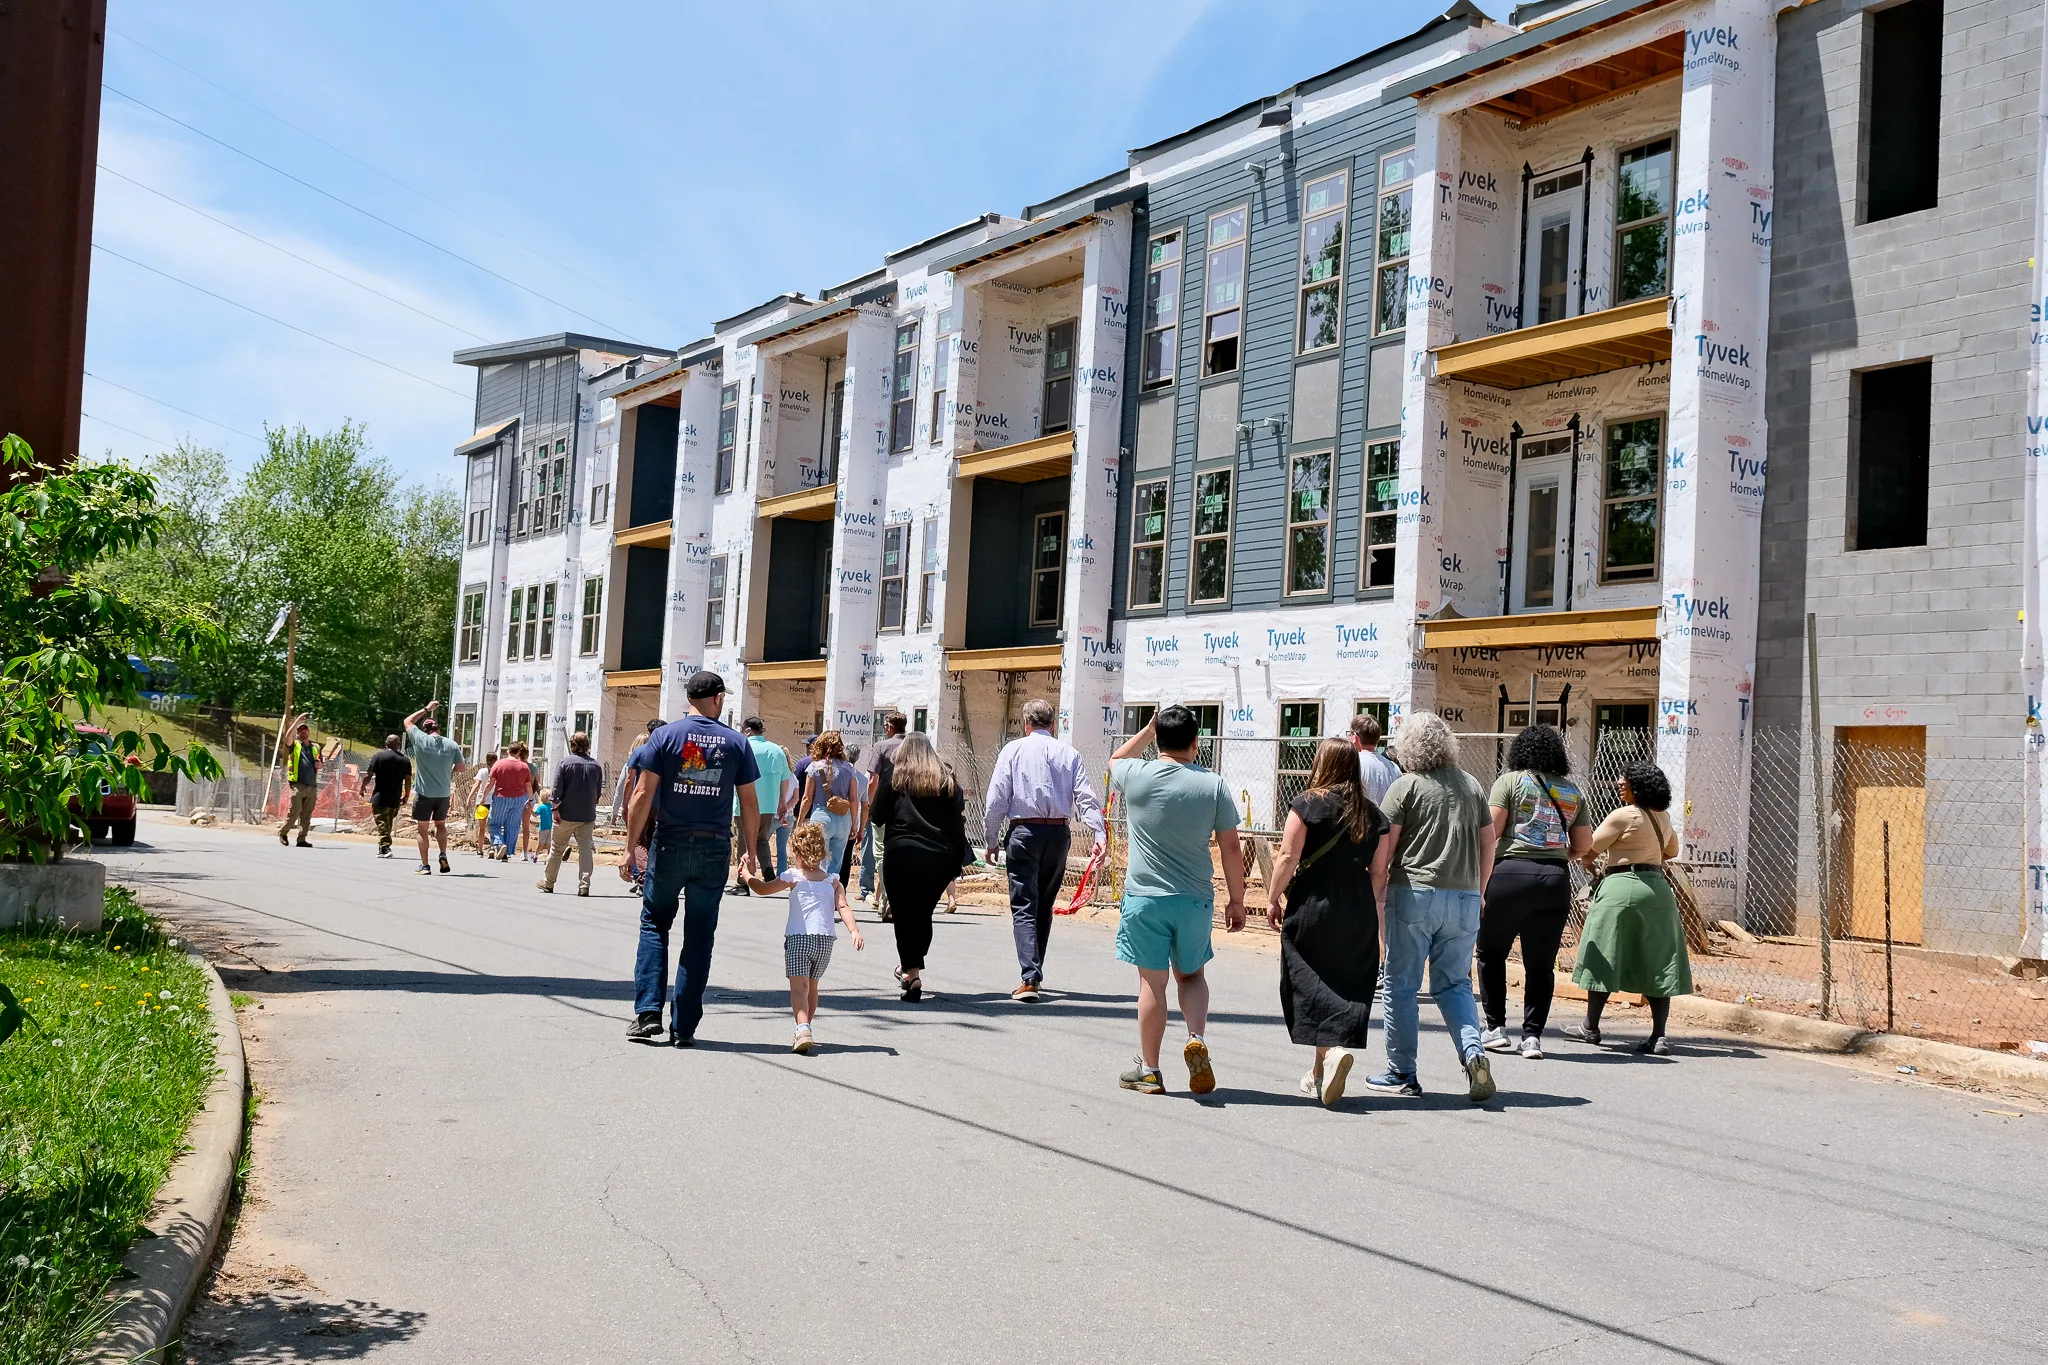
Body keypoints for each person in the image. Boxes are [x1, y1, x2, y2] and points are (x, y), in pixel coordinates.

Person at [1105, 707, 1244, 1094]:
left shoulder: (1136, 775)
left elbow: (1116, 758)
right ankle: (1195, 1036)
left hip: (1145, 897)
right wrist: (1237, 899)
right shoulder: (1212, 784)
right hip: (1194, 899)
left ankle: (1150, 1070)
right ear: (1196, 742)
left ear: (1159, 740)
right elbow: (1231, 846)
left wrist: (1148, 730)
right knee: (1193, 975)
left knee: (1152, 983)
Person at [620, 672, 760, 1047]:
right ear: (715, 699)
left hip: (670, 843)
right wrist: (749, 850)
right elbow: (749, 801)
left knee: (654, 922)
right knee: (699, 935)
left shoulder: (664, 737)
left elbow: (642, 795)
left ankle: (648, 1013)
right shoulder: (736, 742)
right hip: (714, 847)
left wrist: (630, 847)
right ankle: (684, 1027)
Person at [1366, 711, 1498, 1103]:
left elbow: (1384, 852)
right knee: (1455, 983)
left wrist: (1374, 894)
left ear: (1408, 747)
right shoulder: (1472, 785)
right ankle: (1473, 1052)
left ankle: (1402, 1071)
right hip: (1465, 898)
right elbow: (1488, 842)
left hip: (1414, 894)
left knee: (1401, 986)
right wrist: (1480, 889)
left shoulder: (1404, 787)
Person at [1266, 737, 1387, 1107]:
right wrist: (1372, 914)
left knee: (1307, 978)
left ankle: (1330, 1053)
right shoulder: (1373, 813)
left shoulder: (1306, 804)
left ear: (1322, 763)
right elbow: (1379, 872)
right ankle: (1321, 1069)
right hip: (1358, 906)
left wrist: (1272, 897)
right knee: (1346, 981)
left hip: (1313, 903)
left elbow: (1288, 855)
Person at [1478, 725, 1593, 1059]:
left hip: (1510, 875)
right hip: (1555, 880)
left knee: (1491, 952)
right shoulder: (1572, 791)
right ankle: (1532, 1037)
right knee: (1541, 963)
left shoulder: (1510, 782)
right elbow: (1583, 846)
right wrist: (1558, 855)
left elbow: (1492, 830)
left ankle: (1497, 1028)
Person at [1565, 762, 1692, 1055]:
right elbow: (1671, 852)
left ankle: (1591, 1027)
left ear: (1640, 786)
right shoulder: (1663, 817)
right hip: (1657, 891)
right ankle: (1659, 1035)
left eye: (1627, 780)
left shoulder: (1622, 815)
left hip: (1620, 887)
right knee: (1658, 957)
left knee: (1604, 952)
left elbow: (1589, 848)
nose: (1620, 782)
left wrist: (1587, 864)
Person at [983, 699, 1106, 1003]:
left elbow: (997, 797)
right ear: (1053, 724)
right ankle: (1033, 971)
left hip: (1025, 831)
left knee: (1024, 902)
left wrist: (991, 839)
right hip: (1058, 833)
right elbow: (1085, 796)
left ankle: (1029, 977)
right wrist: (1098, 831)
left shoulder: (1012, 750)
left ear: (1026, 724)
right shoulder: (1069, 753)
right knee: (1044, 903)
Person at [741, 820, 863, 1053]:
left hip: (799, 938)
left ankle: (802, 1028)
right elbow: (844, 907)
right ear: (823, 852)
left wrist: (747, 875)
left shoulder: (793, 876)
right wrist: (854, 931)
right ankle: (805, 1027)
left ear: (795, 852)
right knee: (813, 987)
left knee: (799, 988)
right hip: (825, 941)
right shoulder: (833, 880)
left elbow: (763, 889)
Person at [869, 733, 970, 1003]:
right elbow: (956, 818)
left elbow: (877, 815)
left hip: (901, 852)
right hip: (939, 855)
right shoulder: (945, 777)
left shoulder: (894, 775)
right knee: (923, 912)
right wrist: (958, 858)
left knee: (903, 915)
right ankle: (912, 965)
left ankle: (911, 972)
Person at [730, 718, 793, 895]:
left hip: (744, 804)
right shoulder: (777, 750)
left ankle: (743, 882)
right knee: (761, 840)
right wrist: (782, 802)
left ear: (748, 730)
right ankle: (768, 873)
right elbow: (785, 779)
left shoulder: (742, 746)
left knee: (744, 841)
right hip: (768, 805)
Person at [402, 703, 466, 875]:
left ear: (425, 729)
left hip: (424, 793)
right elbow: (461, 768)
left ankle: (425, 865)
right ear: (438, 728)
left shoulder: (420, 739)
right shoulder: (451, 745)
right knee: (441, 825)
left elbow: (407, 721)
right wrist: (448, 769)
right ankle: (443, 854)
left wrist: (426, 709)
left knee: (422, 829)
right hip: (443, 793)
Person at [539, 731, 604, 895]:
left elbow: (556, 790)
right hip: (587, 816)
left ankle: (549, 882)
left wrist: (555, 809)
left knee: (556, 849)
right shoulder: (596, 766)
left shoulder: (564, 763)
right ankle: (584, 885)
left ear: (572, 745)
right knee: (585, 850)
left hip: (566, 815)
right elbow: (597, 793)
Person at [799, 731, 862, 882]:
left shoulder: (815, 767)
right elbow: (854, 799)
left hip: (821, 816)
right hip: (843, 819)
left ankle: (820, 894)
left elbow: (807, 798)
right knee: (836, 863)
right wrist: (854, 824)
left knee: (819, 860)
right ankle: (833, 894)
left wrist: (800, 820)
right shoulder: (849, 768)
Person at [860, 713, 908, 912]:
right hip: (910, 808)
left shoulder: (882, 746)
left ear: (889, 726)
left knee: (880, 852)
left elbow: (873, 781)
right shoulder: (916, 746)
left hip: (885, 806)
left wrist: (871, 806)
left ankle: (886, 893)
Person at [615, 717, 663, 889]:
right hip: (661, 804)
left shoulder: (641, 751)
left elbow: (629, 779)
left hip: (642, 802)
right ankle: (653, 876)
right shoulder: (668, 753)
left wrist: (625, 803)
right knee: (653, 841)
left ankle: (643, 878)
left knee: (638, 841)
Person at [359, 733, 412, 859]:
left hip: (380, 796)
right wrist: (406, 795)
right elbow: (408, 779)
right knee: (387, 823)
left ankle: (385, 847)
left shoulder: (378, 756)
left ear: (386, 743)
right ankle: (382, 847)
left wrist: (362, 787)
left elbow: (369, 774)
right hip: (395, 797)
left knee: (382, 823)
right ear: (398, 745)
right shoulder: (404, 759)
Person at [276, 716, 319, 847]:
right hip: (297, 784)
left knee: (306, 815)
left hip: (311, 785)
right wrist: (297, 721)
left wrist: (319, 764)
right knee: (295, 811)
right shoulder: (294, 745)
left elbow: (319, 761)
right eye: (300, 730)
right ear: (298, 733)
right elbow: (288, 737)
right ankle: (283, 832)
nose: (303, 732)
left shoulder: (315, 747)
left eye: (305, 730)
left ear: (308, 732)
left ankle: (301, 839)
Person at [485, 743, 533, 861]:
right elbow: (528, 785)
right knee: (512, 826)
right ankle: (507, 853)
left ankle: (500, 843)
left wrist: (483, 796)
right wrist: (530, 799)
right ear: (518, 752)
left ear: (508, 751)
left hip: (501, 797)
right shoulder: (524, 767)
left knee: (494, 824)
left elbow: (490, 782)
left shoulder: (498, 764)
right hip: (518, 799)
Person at [1350, 711, 1400, 806]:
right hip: (1386, 819)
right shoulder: (1394, 767)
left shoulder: (1352, 763)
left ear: (1355, 737)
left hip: (1361, 819)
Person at [469, 753, 498, 858]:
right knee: (493, 826)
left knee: (481, 828)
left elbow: (476, 785)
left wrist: (469, 798)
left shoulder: (482, 771)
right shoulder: (497, 771)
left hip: (481, 801)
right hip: (494, 801)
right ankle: (491, 848)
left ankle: (480, 850)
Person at [530, 790, 554, 863]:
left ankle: (535, 856)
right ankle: (549, 858)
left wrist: (530, 809)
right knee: (549, 844)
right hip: (550, 828)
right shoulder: (551, 806)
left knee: (540, 843)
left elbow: (535, 815)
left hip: (542, 828)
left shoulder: (541, 807)